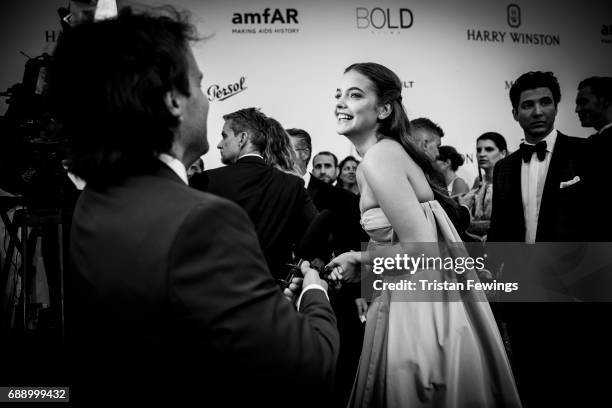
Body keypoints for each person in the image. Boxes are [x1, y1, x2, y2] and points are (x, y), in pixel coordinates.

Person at [49, 8, 338, 405]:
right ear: (172, 101)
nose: (207, 99)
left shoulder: (94, 198)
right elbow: (309, 363)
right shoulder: (205, 221)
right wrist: (313, 292)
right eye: (200, 85)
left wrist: (259, 310)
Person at [327, 62, 521, 407]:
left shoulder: (379, 159)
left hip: (416, 312)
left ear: (384, 109)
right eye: (338, 94)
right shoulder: (383, 155)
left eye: (355, 94)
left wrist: (360, 259)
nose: (341, 102)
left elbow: (420, 252)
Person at [488, 71, 606, 406]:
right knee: (529, 381)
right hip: (523, 296)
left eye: (545, 102)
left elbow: (601, 224)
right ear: (515, 113)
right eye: (528, 105)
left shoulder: (587, 153)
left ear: (556, 107)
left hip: (576, 293)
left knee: (577, 383)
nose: (537, 111)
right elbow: (499, 233)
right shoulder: (505, 168)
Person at [189, 107, 317, 279]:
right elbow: (316, 236)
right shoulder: (292, 185)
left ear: (242, 138)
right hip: (272, 295)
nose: (219, 144)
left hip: (217, 290)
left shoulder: (205, 180)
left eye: (224, 135)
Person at [459, 132, 507, 241]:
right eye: (478, 150)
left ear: (503, 153)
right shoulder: (478, 181)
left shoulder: (510, 180)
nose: (482, 154)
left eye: (489, 149)